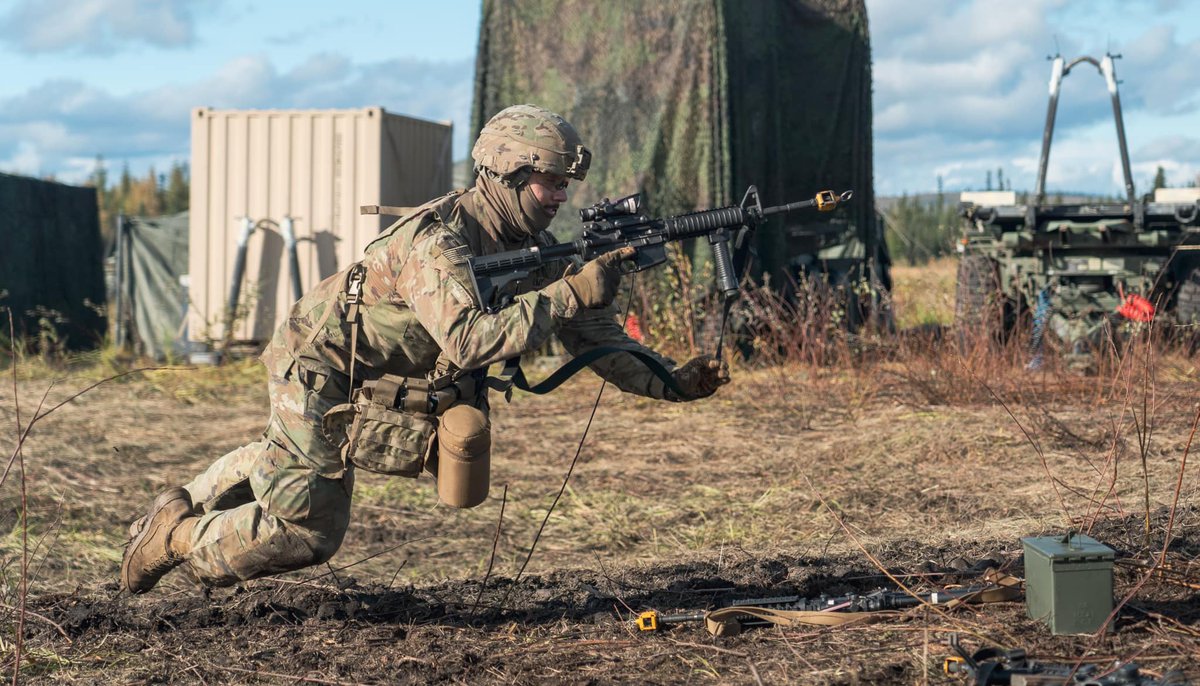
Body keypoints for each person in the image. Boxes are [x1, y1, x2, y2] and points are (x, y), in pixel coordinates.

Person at [121, 104, 730, 594]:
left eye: (564, 184)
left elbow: (593, 339)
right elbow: (468, 340)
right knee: (310, 530)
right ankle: (174, 538)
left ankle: (212, 490)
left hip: (374, 373)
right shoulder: (437, 244)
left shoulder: (529, 241)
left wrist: (671, 382)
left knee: (325, 463)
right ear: (509, 173)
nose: (560, 196)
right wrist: (569, 294)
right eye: (550, 181)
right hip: (319, 365)